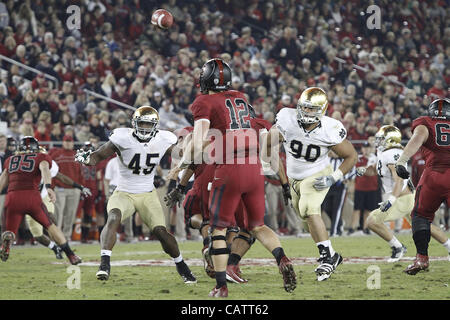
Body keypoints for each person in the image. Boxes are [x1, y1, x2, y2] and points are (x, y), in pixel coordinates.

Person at [178, 58, 296, 297]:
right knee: (258, 226)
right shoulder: (241, 96)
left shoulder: (203, 101)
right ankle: (282, 259)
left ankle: (221, 286)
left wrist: (181, 163)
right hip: (254, 166)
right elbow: (262, 134)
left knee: (219, 229)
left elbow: (200, 139)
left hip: (229, 166)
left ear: (206, 79)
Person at [74, 106, 197, 284]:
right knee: (113, 217)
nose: (145, 128)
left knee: (161, 232)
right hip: (123, 191)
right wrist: (87, 158)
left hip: (147, 194)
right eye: (142, 124)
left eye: (149, 124)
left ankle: (182, 266)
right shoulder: (121, 138)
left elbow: (183, 155)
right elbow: (98, 156)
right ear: (134, 124)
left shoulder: (164, 138)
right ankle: (104, 263)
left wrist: (189, 150)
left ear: (155, 126)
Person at [265, 86, 357, 281]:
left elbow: (351, 156)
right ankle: (333, 255)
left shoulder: (329, 129)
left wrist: (334, 177)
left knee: (309, 208)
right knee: (305, 218)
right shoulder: (287, 120)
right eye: (304, 107)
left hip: (317, 174)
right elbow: (267, 144)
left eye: (312, 109)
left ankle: (326, 259)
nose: (306, 112)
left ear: (322, 110)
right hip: (294, 178)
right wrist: (269, 165)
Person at [358, 125, 450, 264]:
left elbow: (399, 180)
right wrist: (365, 170)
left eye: (382, 139)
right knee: (425, 226)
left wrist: (391, 200)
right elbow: (376, 170)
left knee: (372, 221)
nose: (379, 141)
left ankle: (398, 247)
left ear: (391, 140)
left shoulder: (392, 153)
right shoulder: (384, 152)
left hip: (402, 198)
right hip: (407, 197)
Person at [0, 136, 81, 265]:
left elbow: (2, 180)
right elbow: (44, 170)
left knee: (10, 230)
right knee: (50, 225)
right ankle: (71, 255)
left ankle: (7, 242)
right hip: (32, 197)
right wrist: (48, 187)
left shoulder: (10, 160)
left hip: (13, 198)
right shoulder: (41, 157)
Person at [395, 98, 450, 274]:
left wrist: (402, 160)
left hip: (433, 175)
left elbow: (418, 137)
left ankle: (421, 259)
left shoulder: (425, 123)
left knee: (420, 216)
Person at [25, 146, 92, 259]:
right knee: (37, 235)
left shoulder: (46, 163)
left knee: (51, 218)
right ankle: (54, 247)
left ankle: (62, 245)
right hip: (28, 199)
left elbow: (60, 176)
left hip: (44, 195)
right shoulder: (23, 166)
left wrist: (79, 186)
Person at [49, 135, 83, 239]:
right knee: (58, 214)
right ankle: (57, 236)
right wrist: (52, 186)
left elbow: (81, 173)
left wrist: (80, 187)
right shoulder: (56, 154)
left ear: (73, 143)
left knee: (71, 214)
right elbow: (52, 172)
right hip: (60, 189)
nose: (68, 143)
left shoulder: (77, 155)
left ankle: (67, 236)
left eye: (70, 141)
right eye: (66, 141)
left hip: (74, 190)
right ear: (63, 142)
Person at [347, 142, 379, 235]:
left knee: (368, 210)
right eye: (364, 148)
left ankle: (366, 228)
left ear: (371, 148)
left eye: (368, 148)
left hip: (372, 187)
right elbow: (358, 171)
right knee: (357, 209)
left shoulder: (375, 158)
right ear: (362, 149)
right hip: (360, 187)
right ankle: (352, 228)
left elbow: (371, 171)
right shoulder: (358, 158)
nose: (366, 150)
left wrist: (366, 169)